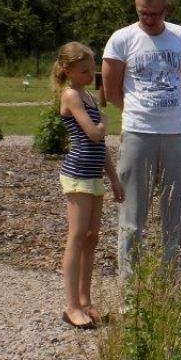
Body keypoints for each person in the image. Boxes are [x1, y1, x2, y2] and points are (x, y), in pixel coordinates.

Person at [101, 0, 181, 278]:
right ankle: (131, 294)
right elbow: (111, 89)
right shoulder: (121, 39)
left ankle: (173, 288)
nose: (148, 20)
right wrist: (138, 112)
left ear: (165, 9)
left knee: (175, 217)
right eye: (143, 13)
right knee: (132, 217)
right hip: (138, 133)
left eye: (154, 14)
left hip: (176, 134)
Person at [52, 42, 124, 329]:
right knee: (77, 236)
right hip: (77, 173)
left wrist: (114, 178)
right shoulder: (71, 95)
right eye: (84, 70)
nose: (90, 74)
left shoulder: (89, 96)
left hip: (93, 174)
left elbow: (102, 146)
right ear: (68, 71)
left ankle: (85, 300)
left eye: (92, 68)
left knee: (92, 236)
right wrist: (104, 122)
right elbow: (94, 134)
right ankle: (71, 306)